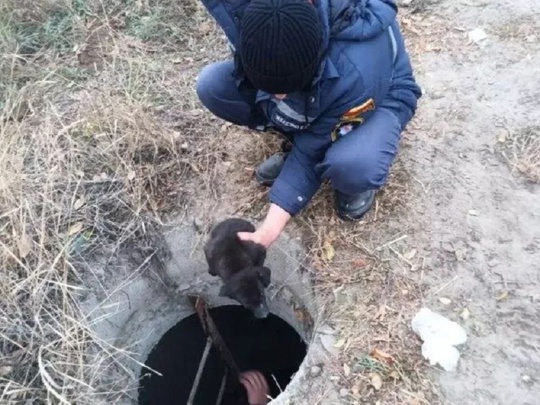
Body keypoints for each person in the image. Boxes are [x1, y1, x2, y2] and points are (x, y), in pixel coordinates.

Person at [196, 0, 422, 249]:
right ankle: (298, 127)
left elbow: (311, 150)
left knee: (353, 164)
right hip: (317, 72)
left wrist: (268, 231)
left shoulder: (355, 68)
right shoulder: (247, 9)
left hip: (379, 91)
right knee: (213, 86)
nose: (279, 98)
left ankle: (351, 176)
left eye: (285, 91)